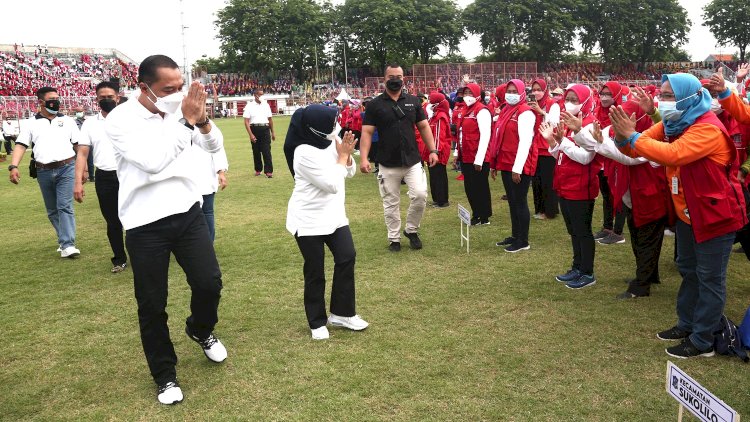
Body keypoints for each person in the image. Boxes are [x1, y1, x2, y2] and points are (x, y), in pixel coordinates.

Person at [105, 55, 227, 404]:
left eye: (180, 86)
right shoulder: (120, 120)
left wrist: (202, 123)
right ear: (144, 88)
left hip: (187, 210)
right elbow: (154, 162)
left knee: (209, 282)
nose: (176, 94)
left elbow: (212, 147)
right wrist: (187, 122)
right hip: (145, 223)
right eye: (167, 89)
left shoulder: (182, 112)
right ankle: (165, 375)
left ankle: (201, 330)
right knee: (152, 303)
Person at [610, 72, 746, 358]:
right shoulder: (674, 122)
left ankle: (703, 340)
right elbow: (642, 143)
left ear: (690, 96)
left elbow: (672, 155)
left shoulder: (706, 128)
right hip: (689, 214)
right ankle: (687, 324)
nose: (663, 100)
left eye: (669, 95)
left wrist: (631, 136)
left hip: (715, 216)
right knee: (688, 270)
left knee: (710, 278)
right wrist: (623, 137)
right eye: (663, 94)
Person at [284, 104, 368, 340]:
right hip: (308, 219)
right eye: (332, 123)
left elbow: (347, 174)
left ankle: (342, 313)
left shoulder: (331, 139)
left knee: (346, 256)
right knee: (315, 269)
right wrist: (342, 158)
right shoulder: (302, 152)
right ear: (316, 128)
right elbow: (331, 184)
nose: (337, 126)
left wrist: (347, 157)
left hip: (334, 215)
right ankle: (316, 321)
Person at [576, 100, 669, 299]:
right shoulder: (621, 131)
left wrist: (602, 142)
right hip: (634, 198)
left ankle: (641, 285)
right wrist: (580, 130)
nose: (619, 123)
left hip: (649, 200)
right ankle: (648, 275)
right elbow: (593, 139)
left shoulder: (651, 137)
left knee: (646, 242)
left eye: (624, 118)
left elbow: (628, 157)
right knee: (638, 239)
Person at [359, 64, 439, 252]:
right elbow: (367, 132)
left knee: (420, 195)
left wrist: (433, 150)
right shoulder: (375, 105)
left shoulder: (413, 101)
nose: (395, 79)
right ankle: (393, 238)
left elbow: (424, 127)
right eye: (391, 76)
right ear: (384, 79)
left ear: (404, 78)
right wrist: (363, 159)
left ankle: (411, 230)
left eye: (399, 76)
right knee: (390, 202)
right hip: (387, 161)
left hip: (412, 159)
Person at [539, 84, 601, 289]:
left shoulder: (591, 124)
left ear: (586, 100)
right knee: (573, 230)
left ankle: (587, 271)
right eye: (568, 98)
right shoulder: (568, 122)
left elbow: (585, 157)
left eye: (575, 99)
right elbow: (562, 154)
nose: (569, 103)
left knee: (583, 231)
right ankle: (577, 267)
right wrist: (553, 143)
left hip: (581, 186)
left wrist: (563, 142)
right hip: (565, 183)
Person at [8, 86, 82, 258]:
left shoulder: (69, 121)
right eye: (51, 100)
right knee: (52, 210)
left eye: (57, 99)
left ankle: (68, 244)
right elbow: (21, 145)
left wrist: (83, 167)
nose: (56, 102)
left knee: (64, 206)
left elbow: (79, 145)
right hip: (43, 171)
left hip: (67, 168)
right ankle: (63, 239)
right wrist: (14, 166)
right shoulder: (31, 124)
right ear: (41, 102)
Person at [73, 81, 128, 273]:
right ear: (96, 100)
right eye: (102, 98)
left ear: (118, 98)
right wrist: (78, 181)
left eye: (110, 97)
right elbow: (82, 153)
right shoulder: (90, 124)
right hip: (105, 176)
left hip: (130, 174)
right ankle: (119, 259)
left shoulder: (129, 119)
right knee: (113, 221)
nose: (106, 101)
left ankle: (141, 255)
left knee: (135, 217)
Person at [489, 79, 536, 252]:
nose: (511, 94)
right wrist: (495, 163)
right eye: (509, 90)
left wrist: (518, 169)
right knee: (512, 202)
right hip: (506, 162)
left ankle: (523, 240)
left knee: (520, 201)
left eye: (515, 91)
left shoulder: (525, 113)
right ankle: (516, 235)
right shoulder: (506, 110)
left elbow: (525, 142)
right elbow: (498, 138)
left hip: (519, 164)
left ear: (523, 93)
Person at [593, 82, 628, 245]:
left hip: (617, 159)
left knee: (617, 194)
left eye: (608, 94)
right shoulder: (598, 111)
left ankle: (618, 231)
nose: (604, 97)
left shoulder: (622, 112)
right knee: (606, 195)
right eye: (602, 94)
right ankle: (607, 227)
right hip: (602, 159)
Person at [459, 83, 493, 225]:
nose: (467, 96)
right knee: (470, 187)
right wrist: (457, 153)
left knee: (479, 187)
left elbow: (485, 135)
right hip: (466, 155)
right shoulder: (465, 110)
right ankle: (476, 213)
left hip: (477, 157)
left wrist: (479, 160)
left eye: (470, 93)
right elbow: (461, 133)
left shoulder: (482, 110)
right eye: (465, 93)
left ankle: (483, 216)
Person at [529, 78, 560, 221]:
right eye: (534, 90)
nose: (536, 92)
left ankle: (550, 211)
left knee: (548, 180)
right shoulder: (531, 104)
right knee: (536, 181)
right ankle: (540, 208)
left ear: (545, 90)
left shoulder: (552, 104)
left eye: (539, 90)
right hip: (534, 146)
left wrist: (541, 111)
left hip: (548, 147)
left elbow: (555, 122)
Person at [194, 141, 229, 241]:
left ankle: (209, 244)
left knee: (207, 212)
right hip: (186, 181)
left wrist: (221, 173)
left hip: (205, 179)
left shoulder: (208, 128)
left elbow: (218, 151)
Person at [243, 88, 275, 177]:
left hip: (265, 129)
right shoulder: (249, 106)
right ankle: (258, 169)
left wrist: (273, 132)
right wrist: (251, 134)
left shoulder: (266, 105)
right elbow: (246, 121)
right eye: (260, 95)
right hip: (254, 129)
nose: (261, 96)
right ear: (255, 95)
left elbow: (270, 119)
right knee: (256, 151)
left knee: (266, 151)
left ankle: (269, 171)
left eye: (262, 95)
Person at [427, 92, 451, 208]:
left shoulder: (440, 116)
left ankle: (442, 200)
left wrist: (435, 151)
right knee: (434, 175)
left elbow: (438, 135)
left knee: (439, 174)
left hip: (438, 151)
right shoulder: (436, 114)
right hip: (435, 150)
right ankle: (437, 199)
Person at [73, 105, 95, 182]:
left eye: (80, 112)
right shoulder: (73, 122)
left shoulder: (88, 121)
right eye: (77, 112)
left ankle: (92, 176)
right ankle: (80, 176)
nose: (78, 113)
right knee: (79, 160)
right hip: (77, 144)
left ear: (83, 112)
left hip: (88, 143)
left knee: (90, 161)